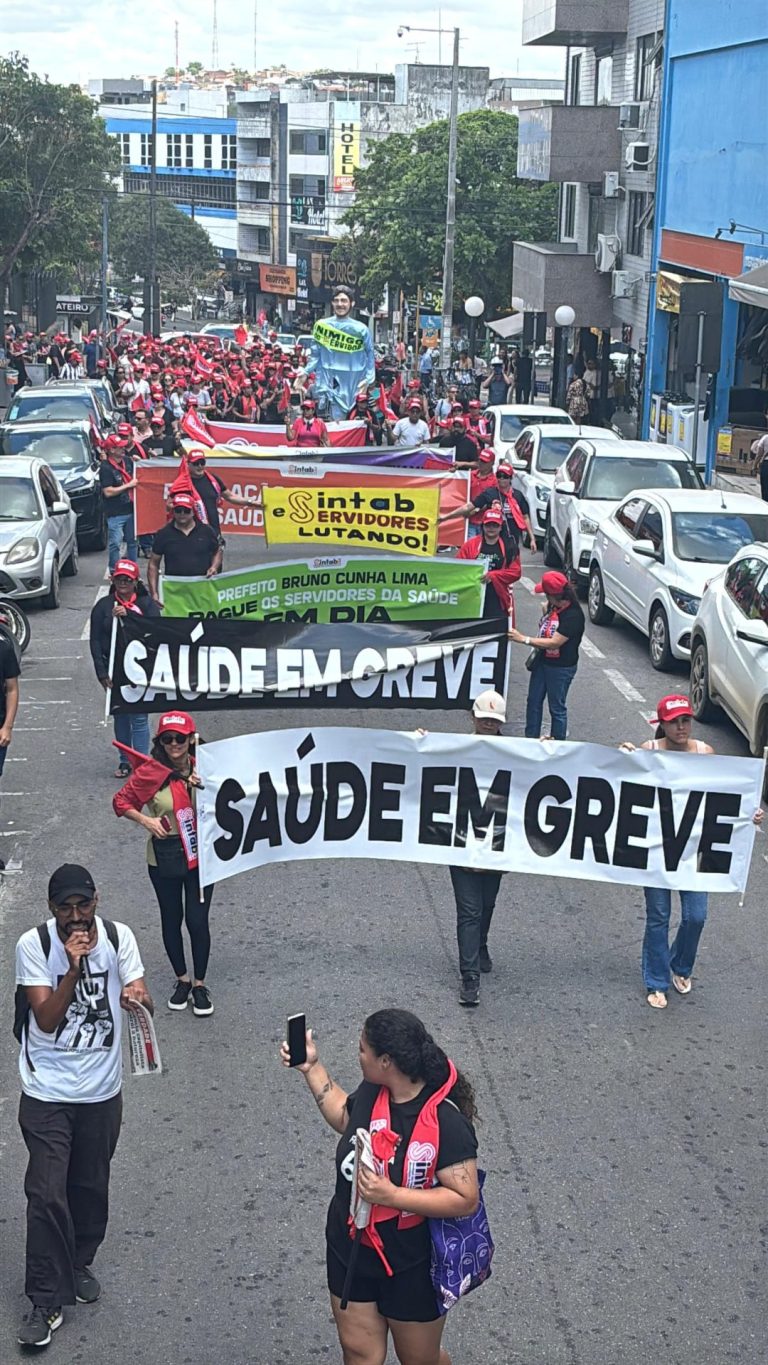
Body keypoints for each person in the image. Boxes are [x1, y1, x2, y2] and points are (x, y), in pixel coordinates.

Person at [280, 1008, 479, 1365]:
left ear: (386, 1061)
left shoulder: (445, 1122)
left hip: (413, 1263)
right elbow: (344, 1115)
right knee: (360, 1355)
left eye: (362, 1050)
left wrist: (391, 1196)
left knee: (420, 1360)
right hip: (351, 1250)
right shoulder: (374, 1090)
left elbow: (465, 1199)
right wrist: (312, 1068)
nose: (357, 1055)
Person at [14, 864, 152, 1348]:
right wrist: (72, 970)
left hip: (100, 1091)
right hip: (47, 1091)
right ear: (51, 910)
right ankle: (46, 1300)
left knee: (90, 1186)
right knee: (47, 1192)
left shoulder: (118, 936)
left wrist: (137, 996)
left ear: (96, 900)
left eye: (84, 906)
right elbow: (47, 1019)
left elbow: (140, 993)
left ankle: (77, 1258)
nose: (77, 919)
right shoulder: (33, 945)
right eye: (65, 909)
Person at [618, 695, 763, 1009]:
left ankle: (681, 965)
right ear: (662, 725)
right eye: (674, 721)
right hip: (657, 849)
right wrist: (623, 758)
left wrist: (749, 813)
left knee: (696, 916)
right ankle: (656, 981)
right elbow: (624, 787)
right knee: (658, 916)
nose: (681, 726)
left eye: (686, 720)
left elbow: (725, 793)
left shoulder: (705, 753)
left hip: (696, 850)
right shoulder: (649, 752)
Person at [113, 712, 215, 1017]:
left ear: (191, 740)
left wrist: (206, 785)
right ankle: (182, 980)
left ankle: (199, 984)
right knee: (171, 918)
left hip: (202, 858)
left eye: (180, 738)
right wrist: (146, 820)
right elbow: (121, 803)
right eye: (167, 738)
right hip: (165, 857)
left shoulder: (209, 768)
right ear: (160, 742)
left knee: (197, 921)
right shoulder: (152, 773)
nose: (174, 744)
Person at [448, 690, 508, 1006]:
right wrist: (418, 744)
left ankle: (480, 944)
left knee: (487, 903)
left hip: (497, 845)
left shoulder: (516, 752)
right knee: (469, 910)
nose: (488, 724)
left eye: (494, 720)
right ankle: (469, 977)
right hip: (461, 842)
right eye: (483, 718)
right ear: (472, 717)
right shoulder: (455, 749)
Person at [89, 560, 160, 778]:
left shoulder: (147, 605)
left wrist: (129, 615)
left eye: (127, 579)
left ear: (136, 582)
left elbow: (157, 631)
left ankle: (141, 762)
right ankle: (125, 760)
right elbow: (95, 641)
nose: (123, 583)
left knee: (139, 718)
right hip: (114, 670)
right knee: (121, 716)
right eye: (119, 578)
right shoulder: (103, 607)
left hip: (139, 671)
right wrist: (101, 673)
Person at [507, 569, 585, 740]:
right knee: (533, 701)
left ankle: (558, 743)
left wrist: (524, 639)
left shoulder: (573, 616)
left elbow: (554, 642)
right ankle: (531, 738)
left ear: (555, 595)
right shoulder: (553, 607)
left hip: (561, 668)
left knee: (556, 707)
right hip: (543, 662)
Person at [307, 286, 376, 420]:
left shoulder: (362, 329)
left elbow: (370, 355)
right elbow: (315, 355)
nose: (340, 304)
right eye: (337, 300)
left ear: (352, 303)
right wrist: (305, 372)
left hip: (356, 387)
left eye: (344, 300)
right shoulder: (322, 326)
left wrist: (368, 379)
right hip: (330, 389)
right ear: (332, 303)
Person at [147, 492, 222, 604]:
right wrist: (154, 593)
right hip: (175, 591)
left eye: (186, 511)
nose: (182, 514)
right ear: (173, 512)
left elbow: (217, 551)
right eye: (178, 510)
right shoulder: (164, 534)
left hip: (202, 588)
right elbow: (153, 564)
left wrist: (214, 567)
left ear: (193, 512)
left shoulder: (206, 531)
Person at [456, 506, 520, 619]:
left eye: (495, 525)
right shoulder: (470, 545)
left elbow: (515, 572)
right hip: (473, 595)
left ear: (501, 527)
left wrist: (493, 576)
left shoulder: (510, 547)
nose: (491, 528)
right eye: (488, 525)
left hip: (498, 596)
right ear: (483, 526)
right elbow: (458, 568)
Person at [186, 450, 260, 536]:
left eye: (202, 463)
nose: (199, 466)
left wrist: (250, 502)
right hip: (191, 532)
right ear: (188, 464)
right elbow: (171, 505)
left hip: (213, 530)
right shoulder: (183, 483)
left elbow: (230, 496)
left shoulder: (212, 479)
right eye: (196, 463)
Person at [98, 433, 138, 573]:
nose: (123, 449)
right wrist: (128, 486)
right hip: (115, 512)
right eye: (119, 447)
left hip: (131, 509)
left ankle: (134, 569)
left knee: (133, 542)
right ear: (112, 450)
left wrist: (140, 462)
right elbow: (108, 492)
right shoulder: (106, 468)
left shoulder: (128, 461)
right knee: (115, 542)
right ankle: (113, 570)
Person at [750, 424, 768, 502]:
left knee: (765, 486)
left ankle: (765, 503)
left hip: (766, 464)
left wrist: (754, 465)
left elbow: (759, 454)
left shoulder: (765, 438)